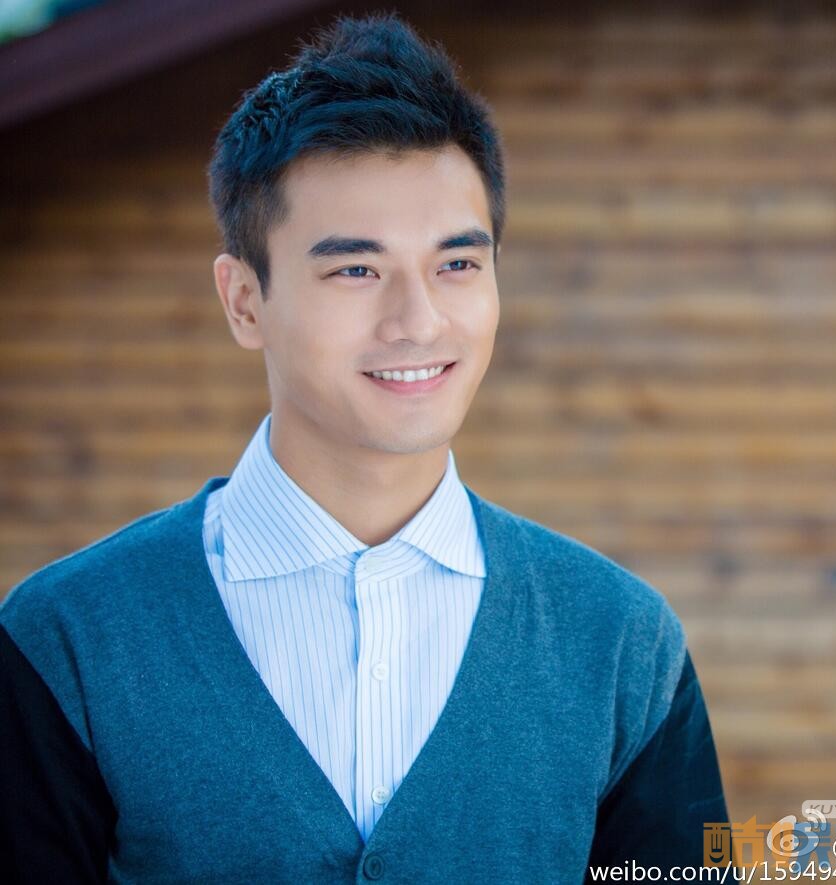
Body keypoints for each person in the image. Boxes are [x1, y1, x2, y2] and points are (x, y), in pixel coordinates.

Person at [0, 11, 728, 883]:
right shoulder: (66, 641)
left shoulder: (621, 644)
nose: (417, 321)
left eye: (456, 264)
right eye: (355, 269)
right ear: (243, 301)